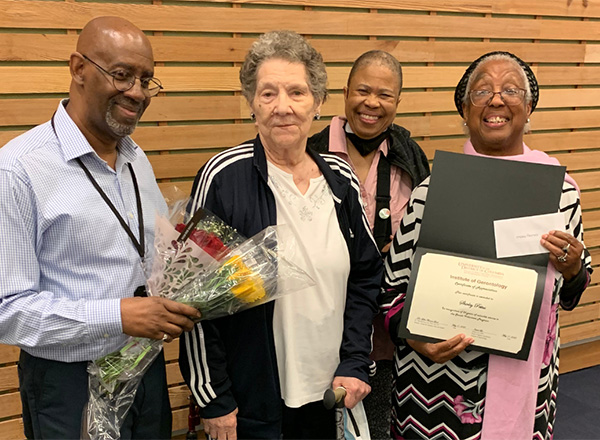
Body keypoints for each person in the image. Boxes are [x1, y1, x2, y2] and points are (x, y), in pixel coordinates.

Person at [0, 16, 201, 439]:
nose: (137, 92)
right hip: (67, 385)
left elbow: (143, 256)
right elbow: (8, 310)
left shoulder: (135, 159)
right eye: (122, 75)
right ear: (78, 69)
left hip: (143, 372)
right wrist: (117, 314)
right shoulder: (18, 169)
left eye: (147, 80)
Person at [179, 30, 382, 439]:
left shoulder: (340, 179)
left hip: (330, 395)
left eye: (297, 92)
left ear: (318, 103)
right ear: (251, 102)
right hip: (252, 403)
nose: (282, 107)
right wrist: (214, 399)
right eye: (268, 93)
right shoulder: (223, 177)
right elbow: (190, 299)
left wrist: (355, 361)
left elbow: (365, 277)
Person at [382, 51, 593, 439]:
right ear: (465, 109)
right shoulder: (431, 192)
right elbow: (392, 290)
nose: (496, 100)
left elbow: (574, 289)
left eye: (510, 89)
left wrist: (573, 267)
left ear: (529, 108)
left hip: (527, 389)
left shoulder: (560, 193)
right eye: (481, 91)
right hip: (435, 390)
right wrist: (413, 336)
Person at [308, 50, 429, 439]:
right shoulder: (309, 152)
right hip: (325, 322)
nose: (372, 103)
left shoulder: (411, 158)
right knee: (325, 423)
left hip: (390, 327)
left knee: (380, 424)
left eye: (385, 95)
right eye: (362, 90)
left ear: (397, 102)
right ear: (345, 92)